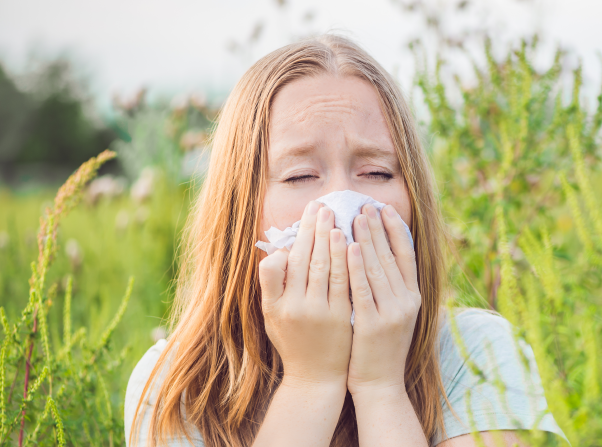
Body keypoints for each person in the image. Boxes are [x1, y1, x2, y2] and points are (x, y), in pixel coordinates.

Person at [124, 34, 567, 447]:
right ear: (242, 212)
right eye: (300, 175)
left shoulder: (477, 352)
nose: (342, 204)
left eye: (376, 172)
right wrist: (310, 382)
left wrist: (381, 387)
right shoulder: (175, 383)